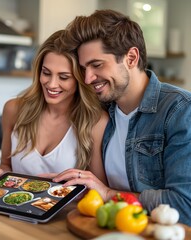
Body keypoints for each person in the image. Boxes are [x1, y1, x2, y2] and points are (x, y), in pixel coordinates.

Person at [53, 9, 191, 225]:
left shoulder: (180, 110)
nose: (88, 78)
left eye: (97, 65)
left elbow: (184, 206)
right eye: (84, 68)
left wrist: (108, 194)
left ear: (131, 57)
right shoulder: (99, 110)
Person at [0, 30, 109, 186]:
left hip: (67, 210)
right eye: (46, 73)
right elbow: (7, 166)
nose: (51, 84)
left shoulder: (95, 121)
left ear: (80, 79)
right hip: (14, 207)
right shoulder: (14, 110)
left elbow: (98, 188)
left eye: (64, 77)